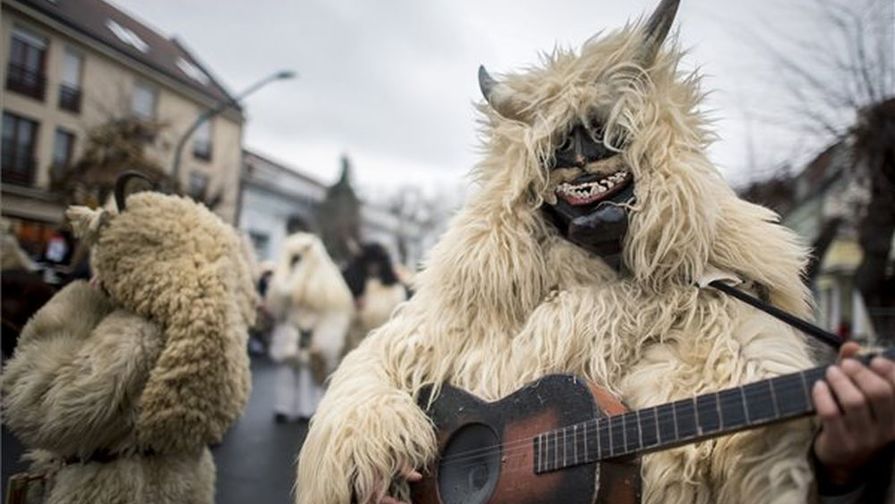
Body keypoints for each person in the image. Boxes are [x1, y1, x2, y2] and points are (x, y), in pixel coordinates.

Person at [294, 1, 894, 503]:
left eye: (605, 137)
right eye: (558, 147)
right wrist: (365, 465)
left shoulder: (726, 301)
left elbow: (769, 468)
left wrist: (836, 468)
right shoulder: (479, 290)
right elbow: (377, 373)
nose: (581, 160)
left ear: (657, 153)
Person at [2, 191, 256, 504]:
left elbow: (36, 408)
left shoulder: (135, 333)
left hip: (112, 490)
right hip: (181, 483)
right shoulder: (206, 322)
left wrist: (77, 302)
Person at [266, 232, 354, 423]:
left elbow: (333, 313)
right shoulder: (289, 275)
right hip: (292, 329)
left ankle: (309, 409)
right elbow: (281, 298)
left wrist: (323, 340)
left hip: (314, 332)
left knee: (310, 371)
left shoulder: (326, 282)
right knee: (288, 369)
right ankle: (284, 406)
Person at [342, 243, 409, 354]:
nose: (373, 268)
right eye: (369, 264)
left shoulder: (394, 288)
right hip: (359, 343)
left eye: (376, 264)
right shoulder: (355, 285)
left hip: (386, 341)